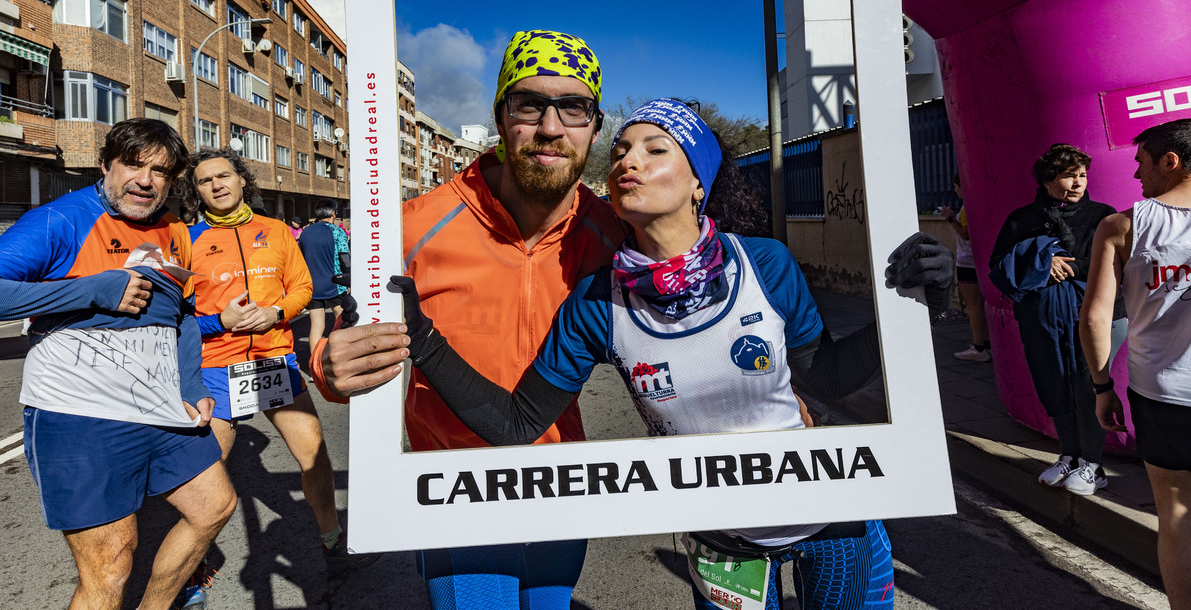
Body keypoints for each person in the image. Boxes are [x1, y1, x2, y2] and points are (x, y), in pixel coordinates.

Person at [329, 98, 952, 610]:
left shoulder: (764, 264)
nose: (628, 161)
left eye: (657, 150)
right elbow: (515, 424)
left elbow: (830, 378)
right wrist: (425, 340)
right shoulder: (598, 301)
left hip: (835, 521)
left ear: (697, 181)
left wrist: (918, 304)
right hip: (723, 541)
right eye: (622, 149)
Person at [313, 29, 627, 610]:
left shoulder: (612, 235)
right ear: (501, 117)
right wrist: (328, 365)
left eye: (574, 108)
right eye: (529, 104)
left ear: (595, 125)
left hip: (561, 483)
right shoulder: (412, 227)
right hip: (457, 492)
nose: (551, 128)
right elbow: (337, 333)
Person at [0, 118, 236, 610]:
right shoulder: (59, 220)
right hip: (79, 412)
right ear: (106, 164)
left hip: (160, 402)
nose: (146, 181)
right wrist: (91, 289)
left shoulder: (173, 228)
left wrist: (192, 383)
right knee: (111, 564)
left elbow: (183, 315)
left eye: (161, 171)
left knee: (214, 506)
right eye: (134, 164)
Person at [182, 147, 373, 601]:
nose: (216, 185)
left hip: (274, 361)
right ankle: (190, 566)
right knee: (205, 476)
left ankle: (333, 547)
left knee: (315, 458)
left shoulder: (276, 232)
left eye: (224, 175)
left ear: (243, 179)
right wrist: (218, 323)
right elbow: (179, 314)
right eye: (205, 181)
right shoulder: (185, 238)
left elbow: (303, 288)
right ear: (196, 191)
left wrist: (276, 312)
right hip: (216, 367)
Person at [1080, 119, 1191, 610]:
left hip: (1165, 395)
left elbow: (1094, 318)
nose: (1136, 176)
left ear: (1170, 161)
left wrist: (1101, 385)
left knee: (1178, 514)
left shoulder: (1122, 227)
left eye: (1141, 163)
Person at [989, 143, 1121, 495]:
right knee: (1052, 381)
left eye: (1081, 175)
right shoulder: (1022, 219)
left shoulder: (1103, 216)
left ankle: (1093, 463)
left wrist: (1066, 266)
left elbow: (1115, 264)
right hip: (1041, 318)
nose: (1078, 184)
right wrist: (1039, 263)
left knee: (1085, 382)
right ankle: (1069, 456)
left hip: (1092, 315)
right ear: (1047, 181)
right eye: (1068, 176)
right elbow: (998, 266)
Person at [939, 174, 991, 361]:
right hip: (978, 259)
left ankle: (979, 349)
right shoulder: (978, 204)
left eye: (956, 186)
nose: (955, 190)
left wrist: (949, 218)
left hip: (968, 261)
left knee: (973, 305)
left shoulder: (970, 206)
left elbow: (965, 233)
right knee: (981, 305)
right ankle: (985, 343)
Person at [298, 199, 349, 342]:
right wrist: (349, 280)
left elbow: (301, 258)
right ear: (333, 213)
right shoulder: (338, 232)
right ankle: (339, 355)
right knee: (341, 320)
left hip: (313, 285)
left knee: (316, 326)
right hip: (335, 284)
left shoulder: (305, 232)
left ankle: (314, 362)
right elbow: (345, 258)